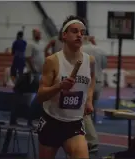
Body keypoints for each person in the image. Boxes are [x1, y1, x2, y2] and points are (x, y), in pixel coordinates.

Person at [37, 15, 95, 159]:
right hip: (52, 122)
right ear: (64, 35)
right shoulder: (52, 61)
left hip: (74, 123)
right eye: (75, 31)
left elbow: (92, 80)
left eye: (82, 32)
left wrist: (89, 100)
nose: (79, 35)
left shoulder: (89, 61)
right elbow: (40, 96)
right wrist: (59, 86)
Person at [82, 35, 107, 152]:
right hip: (99, 82)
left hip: (87, 83)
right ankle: (88, 140)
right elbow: (104, 66)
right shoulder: (100, 50)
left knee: (85, 113)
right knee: (90, 112)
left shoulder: (80, 50)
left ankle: (92, 141)